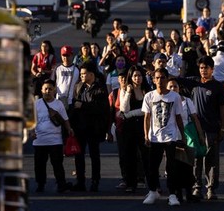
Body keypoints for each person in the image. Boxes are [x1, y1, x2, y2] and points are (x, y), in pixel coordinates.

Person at [183, 56, 224, 201]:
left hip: (212, 129)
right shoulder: (194, 82)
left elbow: (223, 108)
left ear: (212, 69)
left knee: (211, 160)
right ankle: (196, 187)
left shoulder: (218, 86)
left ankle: (211, 189)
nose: (203, 71)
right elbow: (176, 80)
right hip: (195, 130)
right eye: (201, 68)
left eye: (206, 68)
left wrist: (223, 127)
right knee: (196, 159)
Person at [141, 68, 185, 206]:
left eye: (162, 78)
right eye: (157, 78)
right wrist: (146, 135)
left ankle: (172, 194)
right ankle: (153, 191)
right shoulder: (149, 96)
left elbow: (178, 117)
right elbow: (147, 118)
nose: (160, 81)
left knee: (171, 167)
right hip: (155, 137)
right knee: (153, 166)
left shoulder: (175, 97)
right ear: (154, 80)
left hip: (170, 136)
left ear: (167, 79)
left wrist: (182, 135)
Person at [71, 61, 110, 192]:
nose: (81, 76)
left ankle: (95, 181)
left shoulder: (100, 88)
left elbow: (102, 108)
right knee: (79, 155)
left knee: (94, 155)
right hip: (80, 126)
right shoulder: (78, 87)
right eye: (81, 74)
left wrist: (83, 106)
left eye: (84, 74)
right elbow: (75, 104)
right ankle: (80, 181)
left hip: (94, 127)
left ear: (91, 74)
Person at [33, 79, 74, 193]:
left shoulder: (58, 104)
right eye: (45, 89)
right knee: (39, 165)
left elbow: (65, 119)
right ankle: (40, 184)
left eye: (50, 89)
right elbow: (31, 121)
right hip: (39, 140)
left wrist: (69, 129)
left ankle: (61, 184)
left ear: (54, 90)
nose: (48, 91)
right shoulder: (36, 104)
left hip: (55, 140)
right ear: (41, 90)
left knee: (57, 164)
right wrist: (31, 131)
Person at [119, 66, 149, 192]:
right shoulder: (125, 90)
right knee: (129, 154)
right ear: (130, 78)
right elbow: (123, 109)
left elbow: (147, 110)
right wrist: (128, 93)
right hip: (129, 127)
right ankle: (130, 182)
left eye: (140, 75)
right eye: (135, 76)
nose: (137, 78)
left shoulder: (147, 91)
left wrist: (131, 114)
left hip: (143, 125)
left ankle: (145, 180)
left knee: (145, 154)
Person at [54, 45, 80, 111]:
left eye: (68, 55)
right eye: (64, 55)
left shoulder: (77, 69)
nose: (66, 58)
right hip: (59, 100)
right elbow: (53, 83)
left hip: (72, 101)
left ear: (72, 55)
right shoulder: (57, 69)